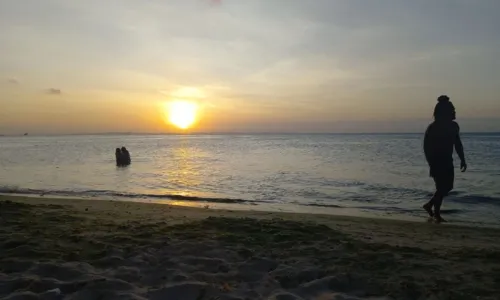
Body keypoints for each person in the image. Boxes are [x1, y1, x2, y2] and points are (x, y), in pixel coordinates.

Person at [423, 95, 467, 223]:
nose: (454, 112)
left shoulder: (454, 126)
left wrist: (462, 159)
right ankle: (436, 213)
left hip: (448, 161)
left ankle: (430, 206)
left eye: (454, 110)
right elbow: (427, 146)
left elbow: (457, 144)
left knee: (447, 187)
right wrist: (431, 162)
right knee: (442, 187)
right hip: (436, 161)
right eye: (452, 110)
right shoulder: (434, 127)